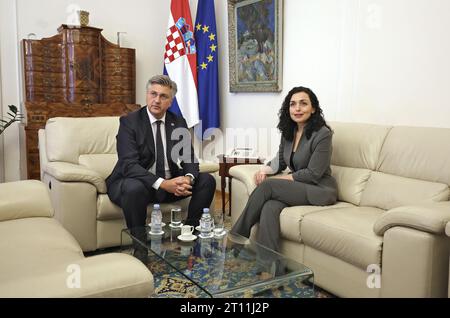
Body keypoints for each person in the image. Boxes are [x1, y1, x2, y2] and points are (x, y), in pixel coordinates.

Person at [106, 75, 216, 249]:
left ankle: (189, 235)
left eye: (163, 96)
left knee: (207, 180)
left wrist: (188, 178)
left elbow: (188, 158)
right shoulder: (130, 122)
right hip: (137, 183)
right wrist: (164, 184)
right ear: (147, 95)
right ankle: (140, 247)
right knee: (134, 188)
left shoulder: (177, 122)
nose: (157, 100)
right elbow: (129, 165)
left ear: (170, 101)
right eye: (153, 94)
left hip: (167, 183)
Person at [231, 86, 337, 254]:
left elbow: (313, 174)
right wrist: (264, 170)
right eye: (293, 104)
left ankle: (236, 237)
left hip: (320, 189)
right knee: (270, 207)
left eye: (303, 104)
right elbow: (280, 161)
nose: (297, 108)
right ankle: (270, 267)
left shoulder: (322, 134)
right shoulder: (289, 132)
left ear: (313, 108)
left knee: (268, 186)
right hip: (299, 187)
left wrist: (277, 180)